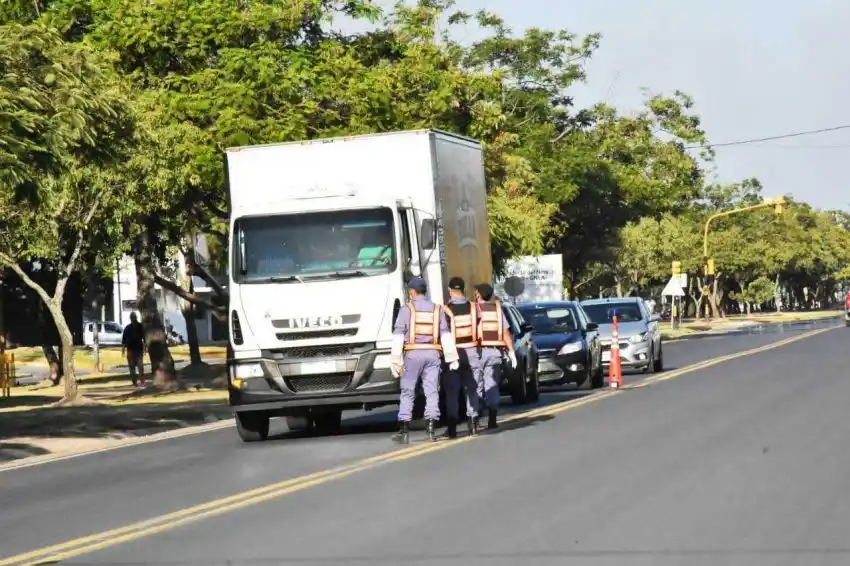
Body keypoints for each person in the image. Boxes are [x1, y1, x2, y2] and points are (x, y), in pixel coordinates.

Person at [390, 277, 459, 443]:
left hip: (412, 355)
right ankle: (431, 430)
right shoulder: (437, 309)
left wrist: (395, 359)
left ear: (413, 292)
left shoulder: (407, 309)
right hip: (433, 355)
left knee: (408, 391)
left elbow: (399, 334)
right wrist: (452, 357)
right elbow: (445, 335)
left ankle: (404, 431)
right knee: (432, 391)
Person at [441, 276, 482, 438]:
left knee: (452, 391)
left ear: (450, 291)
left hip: (453, 354)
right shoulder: (474, 307)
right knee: (472, 389)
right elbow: (479, 329)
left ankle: (452, 427)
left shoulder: (445, 310)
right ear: (463, 290)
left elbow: (442, 334)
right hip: (471, 351)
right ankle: (472, 423)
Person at [473, 283, 516, 430]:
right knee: (491, 385)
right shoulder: (496, 310)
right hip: (494, 353)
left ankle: (475, 420)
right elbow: (505, 333)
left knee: (475, 386)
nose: (474, 293)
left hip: (476, 352)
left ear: (478, 294)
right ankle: (492, 419)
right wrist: (511, 352)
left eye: (476, 291)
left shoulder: (472, 309)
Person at [121, 313, 146, 387]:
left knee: (140, 366)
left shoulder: (140, 326)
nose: (133, 319)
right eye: (132, 317)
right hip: (130, 350)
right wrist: (123, 350)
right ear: (130, 318)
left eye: (134, 317)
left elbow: (144, 337)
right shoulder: (127, 328)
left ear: (136, 317)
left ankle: (142, 381)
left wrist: (145, 347)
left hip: (139, 349)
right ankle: (134, 382)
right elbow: (124, 340)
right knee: (132, 368)